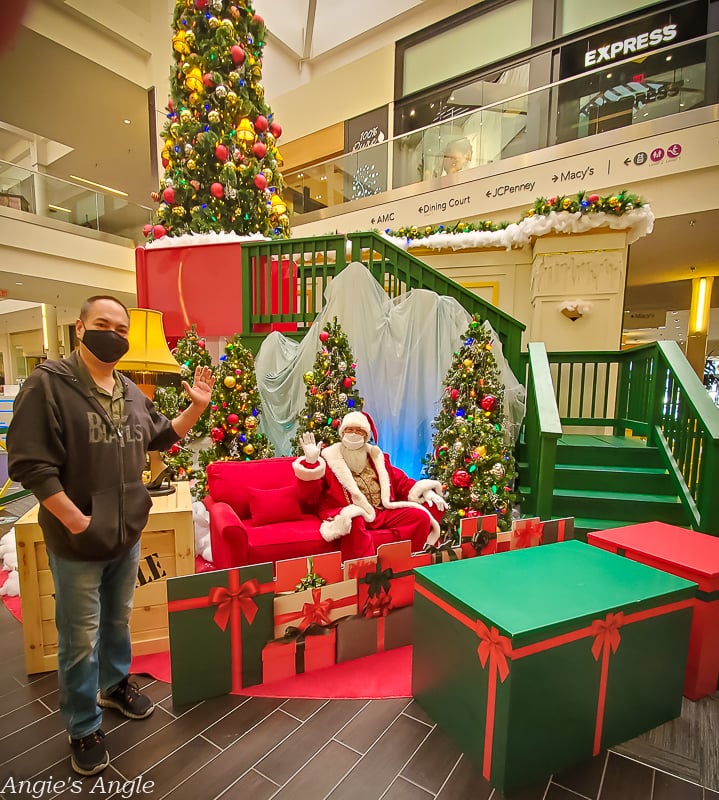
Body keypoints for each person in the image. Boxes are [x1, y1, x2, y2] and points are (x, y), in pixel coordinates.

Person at [7, 296, 215, 777]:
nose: (114, 335)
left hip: (126, 534)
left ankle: (114, 685)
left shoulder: (128, 390)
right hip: (77, 540)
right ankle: (82, 725)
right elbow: (31, 467)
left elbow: (162, 435)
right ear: (79, 328)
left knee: (118, 620)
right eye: (103, 325)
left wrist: (196, 407)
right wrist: (76, 520)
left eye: (121, 328)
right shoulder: (47, 386)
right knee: (79, 637)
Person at [293, 411, 447, 561]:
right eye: (349, 430)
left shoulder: (377, 457)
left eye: (359, 431)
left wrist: (426, 492)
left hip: (381, 511)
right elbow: (309, 499)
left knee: (419, 517)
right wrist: (311, 463)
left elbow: (400, 481)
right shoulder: (329, 460)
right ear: (342, 433)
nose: (353, 434)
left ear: (366, 436)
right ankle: (364, 571)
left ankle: (406, 561)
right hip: (349, 511)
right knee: (354, 517)